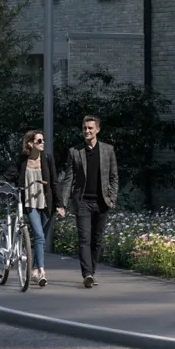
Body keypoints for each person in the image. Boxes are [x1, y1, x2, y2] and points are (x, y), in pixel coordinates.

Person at [60, 113, 120, 290]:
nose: (86, 131)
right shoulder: (75, 152)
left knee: (97, 240)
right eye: (84, 128)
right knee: (84, 239)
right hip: (83, 202)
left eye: (90, 128)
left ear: (97, 130)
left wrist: (112, 198)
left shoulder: (108, 150)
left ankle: (91, 272)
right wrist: (63, 203)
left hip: (102, 202)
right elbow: (68, 179)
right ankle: (87, 274)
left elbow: (114, 176)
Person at [0, 130, 52, 289]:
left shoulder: (47, 158)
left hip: (46, 202)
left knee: (40, 239)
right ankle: (41, 271)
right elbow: (9, 175)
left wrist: (60, 204)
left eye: (43, 140)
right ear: (30, 144)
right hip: (29, 202)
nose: (43, 143)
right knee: (39, 235)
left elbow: (54, 181)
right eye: (39, 141)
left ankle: (35, 269)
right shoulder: (21, 160)